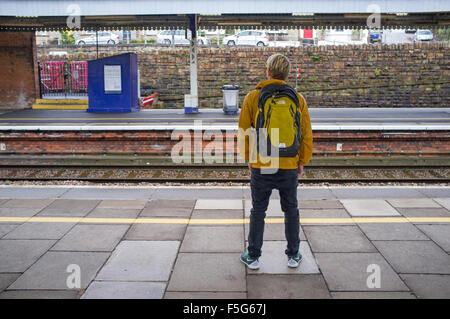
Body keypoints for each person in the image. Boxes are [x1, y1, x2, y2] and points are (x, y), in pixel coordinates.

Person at [238, 53, 313, 270]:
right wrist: (302, 160)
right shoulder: (298, 99)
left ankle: (253, 257)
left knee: (258, 210)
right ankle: (293, 255)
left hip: (263, 163)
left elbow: (245, 131)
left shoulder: (253, 97)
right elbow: (306, 134)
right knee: (291, 209)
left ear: (268, 72)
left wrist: (250, 158)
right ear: (287, 75)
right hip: (289, 162)